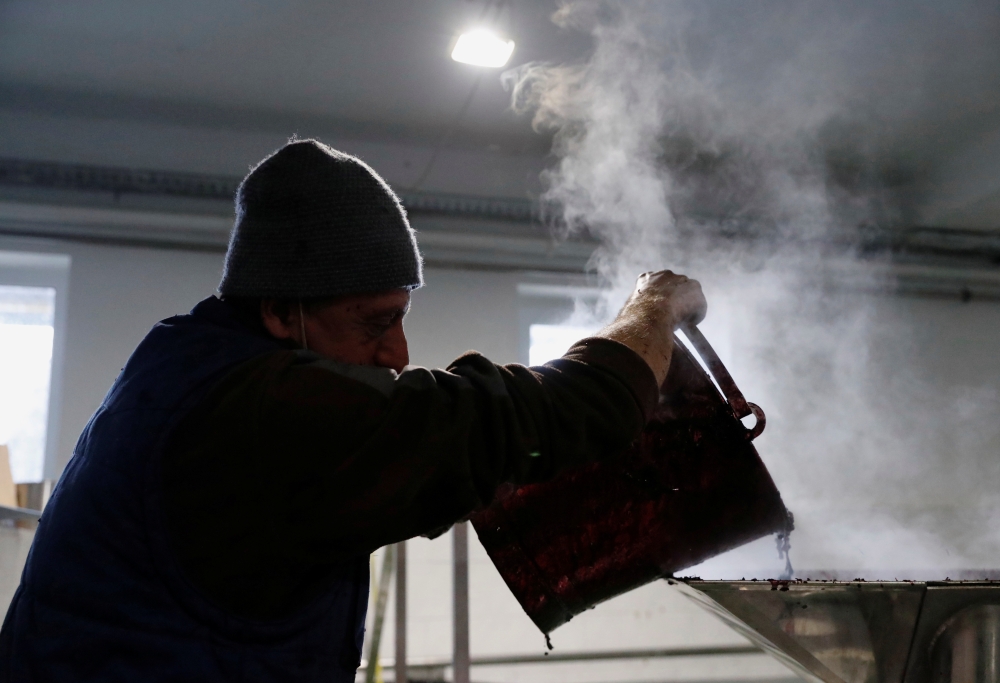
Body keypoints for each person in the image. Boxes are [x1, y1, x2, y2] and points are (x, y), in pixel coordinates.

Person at [0, 139, 706, 682]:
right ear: (280, 309)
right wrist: (653, 309)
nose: (398, 351)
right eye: (374, 322)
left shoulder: (184, 362)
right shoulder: (263, 413)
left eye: (401, 317)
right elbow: (555, 413)